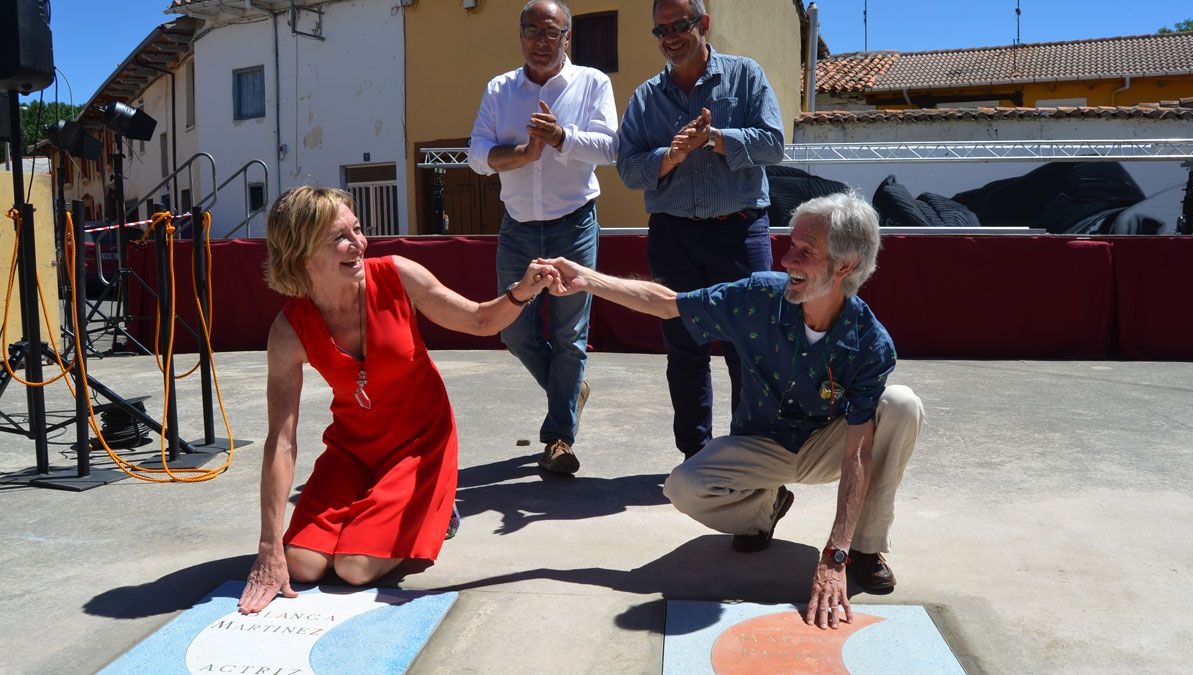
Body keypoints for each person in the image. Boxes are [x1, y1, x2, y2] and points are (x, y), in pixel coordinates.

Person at [542, 192, 924, 630]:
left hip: (827, 447)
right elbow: (669, 303)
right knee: (683, 487)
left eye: (805, 251)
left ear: (846, 265)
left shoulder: (870, 342)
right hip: (762, 443)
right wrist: (587, 279)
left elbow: (857, 451)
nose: (786, 260)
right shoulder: (758, 296)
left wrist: (835, 554)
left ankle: (864, 547)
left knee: (901, 404)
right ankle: (765, 509)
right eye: (790, 245)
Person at [237, 186, 558, 614]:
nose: (359, 244)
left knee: (352, 568)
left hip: (420, 444)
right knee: (301, 564)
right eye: (340, 237)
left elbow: (480, 320)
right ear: (301, 251)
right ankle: (373, 517)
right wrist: (267, 547)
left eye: (357, 229)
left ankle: (437, 513)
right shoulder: (288, 331)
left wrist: (522, 290)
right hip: (352, 450)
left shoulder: (398, 275)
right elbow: (281, 440)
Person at [616, 0, 786, 460]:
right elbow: (627, 169)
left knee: (748, 348)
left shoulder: (746, 75)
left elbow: (774, 143)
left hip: (740, 231)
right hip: (674, 236)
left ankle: (750, 454)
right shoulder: (645, 98)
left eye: (679, 26)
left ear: (704, 24)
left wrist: (713, 139)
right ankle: (696, 456)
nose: (669, 37)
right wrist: (668, 158)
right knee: (685, 348)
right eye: (660, 30)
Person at [467, 0, 618, 475]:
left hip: (574, 223)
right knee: (511, 329)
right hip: (516, 226)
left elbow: (612, 148)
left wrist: (561, 139)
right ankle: (569, 390)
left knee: (570, 334)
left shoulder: (593, 83)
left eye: (550, 32)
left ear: (567, 37)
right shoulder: (500, 88)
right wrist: (524, 154)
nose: (539, 40)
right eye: (530, 30)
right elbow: (476, 155)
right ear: (520, 35)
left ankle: (558, 439)